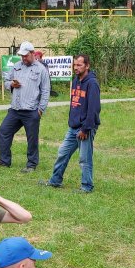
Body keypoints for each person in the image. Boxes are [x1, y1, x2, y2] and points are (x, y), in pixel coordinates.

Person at [40, 54, 100, 193]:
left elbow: (94, 109)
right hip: (73, 127)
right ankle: (55, 181)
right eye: (74, 65)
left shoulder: (92, 83)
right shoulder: (75, 81)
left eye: (79, 65)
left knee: (84, 158)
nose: (76, 68)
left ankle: (87, 186)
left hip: (84, 128)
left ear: (87, 66)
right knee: (62, 153)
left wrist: (85, 129)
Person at [0, 41, 50, 173]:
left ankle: (31, 164)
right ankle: (4, 161)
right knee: (4, 131)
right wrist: (11, 85)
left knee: (32, 139)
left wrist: (40, 110)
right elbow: (7, 80)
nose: (24, 58)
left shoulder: (41, 69)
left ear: (32, 53)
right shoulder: (16, 66)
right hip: (15, 110)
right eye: (22, 56)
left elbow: (45, 91)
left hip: (32, 111)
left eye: (26, 55)